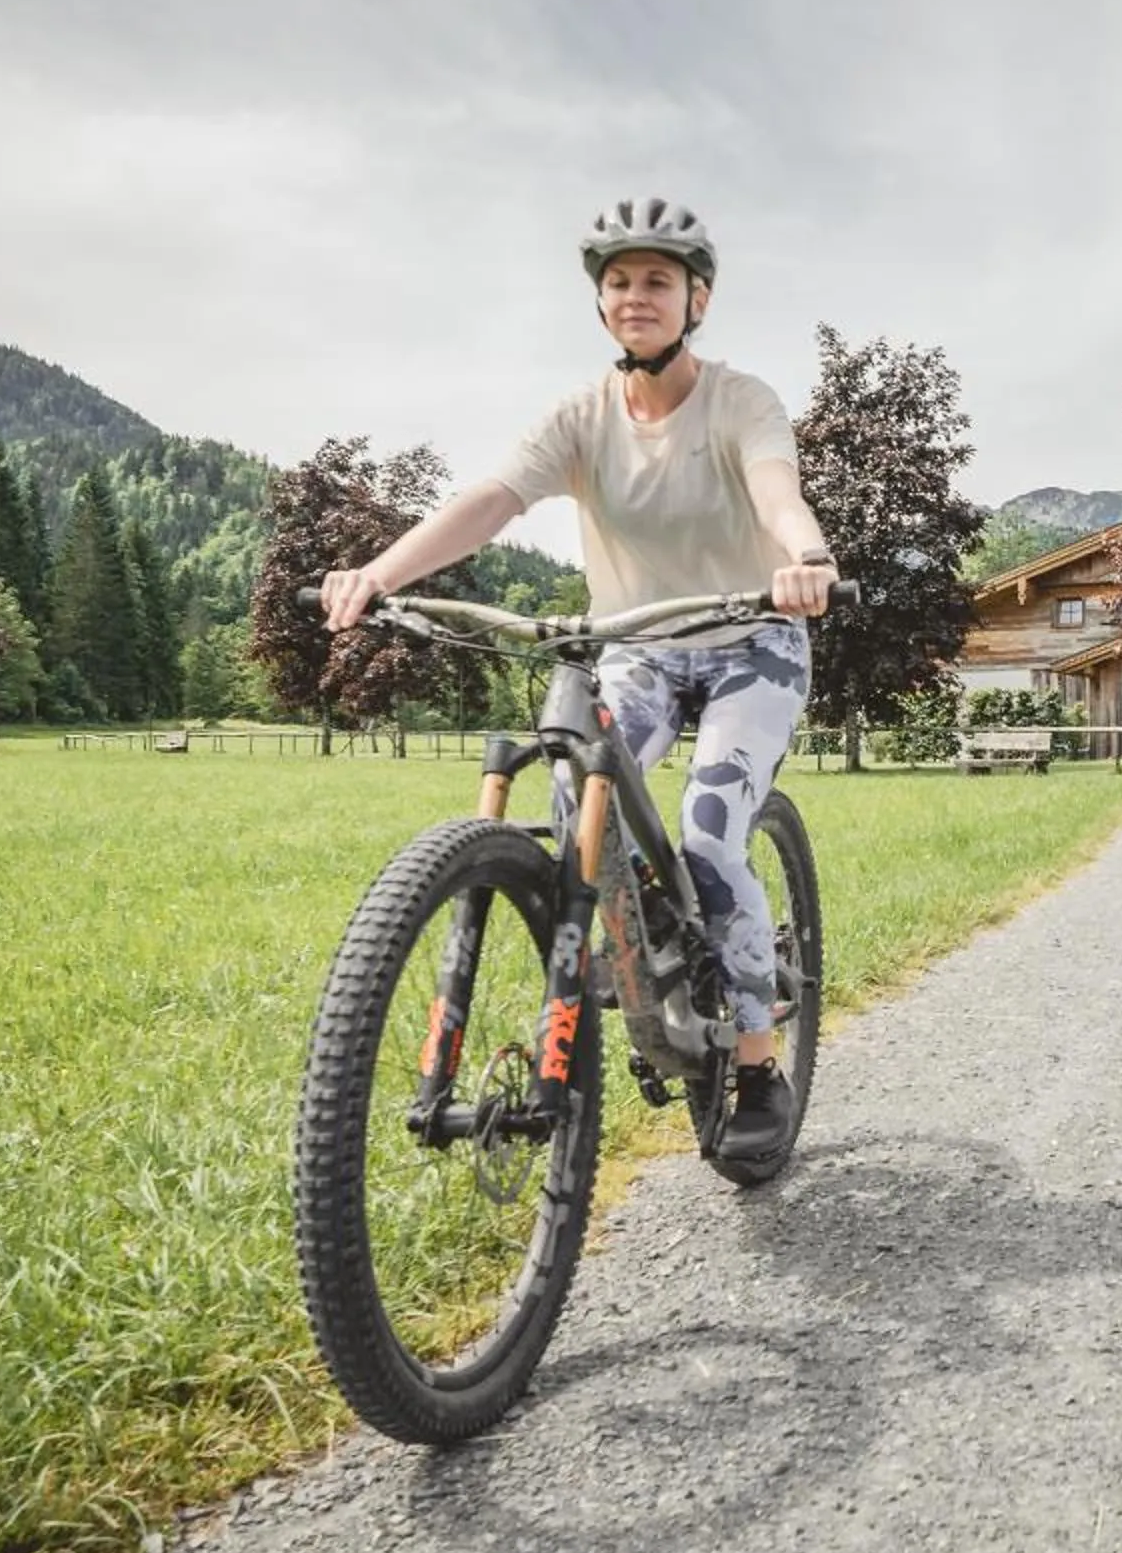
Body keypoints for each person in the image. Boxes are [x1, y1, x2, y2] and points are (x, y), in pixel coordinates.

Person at [321, 197, 840, 1161]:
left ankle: (760, 1060)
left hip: (749, 640)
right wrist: (380, 574)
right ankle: (631, 947)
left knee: (711, 832)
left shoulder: (740, 401)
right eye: (619, 282)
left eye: (658, 281)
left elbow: (778, 490)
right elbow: (490, 500)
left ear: (699, 301)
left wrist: (804, 557)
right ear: (601, 305)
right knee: (575, 811)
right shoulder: (581, 417)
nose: (636, 297)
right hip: (638, 646)